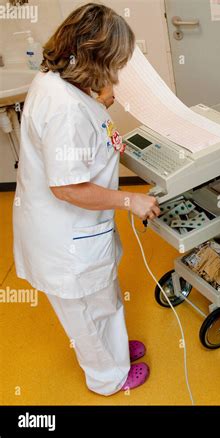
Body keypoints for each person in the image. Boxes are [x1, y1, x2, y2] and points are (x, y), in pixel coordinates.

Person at [13, 3, 160, 396]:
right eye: (114, 61)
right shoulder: (64, 108)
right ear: (95, 57)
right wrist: (131, 202)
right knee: (85, 315)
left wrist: (98, 98)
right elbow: (67, 188)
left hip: (82, 231)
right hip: (65, 237)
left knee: (103, 298)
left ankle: (115, 353)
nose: (118, 70)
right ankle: (107, 377)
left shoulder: (63, 84)